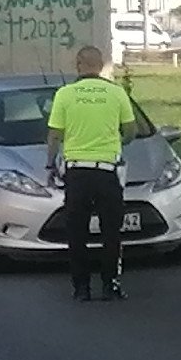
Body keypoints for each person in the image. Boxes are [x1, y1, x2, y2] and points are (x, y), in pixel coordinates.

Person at [46, 45, 136, 302]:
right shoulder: (116, 93)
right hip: (107, 173)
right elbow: (130, 131)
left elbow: (54, 135)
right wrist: (118, 141)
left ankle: (81, 288)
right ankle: (110, 284)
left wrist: (50, 164)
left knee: (77, 233)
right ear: (101, 66)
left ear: (78, 65)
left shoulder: (65, 94)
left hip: (77, 174)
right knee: (111, 232)